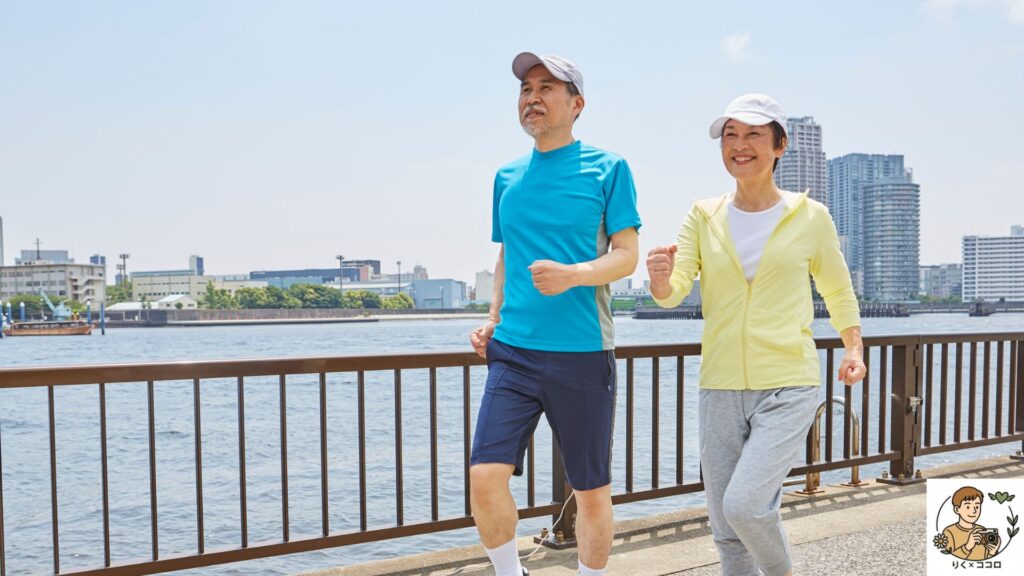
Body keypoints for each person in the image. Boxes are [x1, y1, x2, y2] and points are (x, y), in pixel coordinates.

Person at [645, 93, 865, 576]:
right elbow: (674, 292)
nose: (739, 146)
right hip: (720, 385)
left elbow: (837, 288)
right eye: (730, 136)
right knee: (725, 526)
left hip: (789, 382)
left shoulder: (811, 216)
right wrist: (661, 279)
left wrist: (853, 347)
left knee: (744, 505)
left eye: (753, 135)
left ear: (780, 145)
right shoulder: (703, 216)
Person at [468, 52, 641, 576]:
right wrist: (493, 318)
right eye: (525, 90)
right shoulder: (506, 176)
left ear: (576, 104)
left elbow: (627, 254)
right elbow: (507, 257)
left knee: (590, 492)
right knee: (484, 475)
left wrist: (573, 274)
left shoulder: (609, 168)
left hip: (582, 353)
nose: (532, 98)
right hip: (513, 353)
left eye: (546, 88)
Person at [942, 486, 1000, 559]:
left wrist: (992, 553)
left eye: (977, 507)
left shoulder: (982, 530)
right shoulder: (949, 532)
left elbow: (985, 560)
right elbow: (947, 560)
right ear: (957, 509)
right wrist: (967, 547)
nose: (974, 511)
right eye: (968, 507)